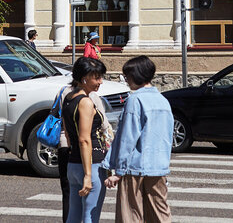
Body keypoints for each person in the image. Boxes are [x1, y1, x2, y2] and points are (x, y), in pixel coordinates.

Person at [104, 55, 173, 223]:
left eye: (127, 76)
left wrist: (118, 172)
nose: (126, 80)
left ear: (136, 75)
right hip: (158, 166)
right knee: (159, 213)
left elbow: (127, 138)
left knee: (130, 214)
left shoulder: (135, 100)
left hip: (134, 167)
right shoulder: (163, 101)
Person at [62, 56, 110, 223]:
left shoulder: (68, 98)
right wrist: (88, 174)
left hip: (73, 164)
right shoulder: (85, 102)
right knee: (90, 215)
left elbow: (68, 134)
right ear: (84, 78)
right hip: (91, 164)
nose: (100, 81)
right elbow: (85, 139)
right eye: (97, 77)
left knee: (73, 215)